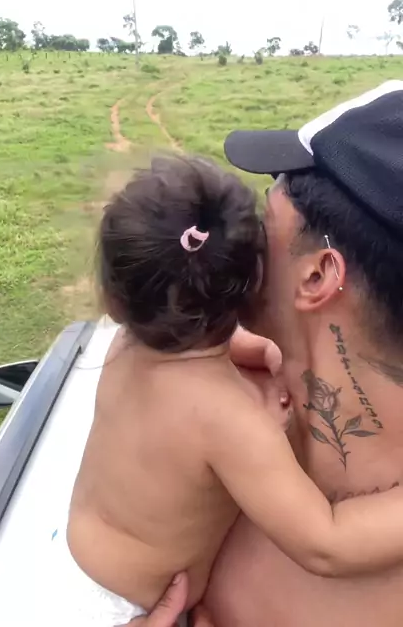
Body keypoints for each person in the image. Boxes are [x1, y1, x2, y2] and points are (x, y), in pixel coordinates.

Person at [67, 143, 403, 627]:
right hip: (134, 606)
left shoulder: (128, 344)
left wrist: (265, 353)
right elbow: (327, 541)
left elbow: (195, 351)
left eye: (271, 215)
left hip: (94, 569)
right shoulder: (231, 420)